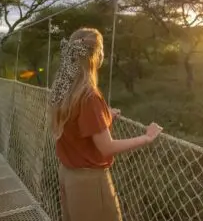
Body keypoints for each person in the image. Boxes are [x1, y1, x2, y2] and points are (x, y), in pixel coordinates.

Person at [50, 27, 163, 221]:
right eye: (101, 49)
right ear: (95, 55)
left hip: (68, 175)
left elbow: (76, 127)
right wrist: (146, 138)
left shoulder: (63, 90)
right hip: (90, 182)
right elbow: (106, 147)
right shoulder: (89, 97)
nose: (104, 54)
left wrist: (104, 117)